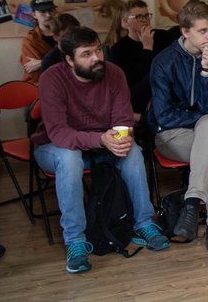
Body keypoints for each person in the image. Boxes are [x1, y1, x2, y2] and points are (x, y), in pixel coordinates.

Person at [32, 27, 169, 274]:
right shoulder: (51, 78)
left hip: (103, 143)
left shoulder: (113, 73)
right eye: (87, 54)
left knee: (133, 153)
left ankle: (144, 223)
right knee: (70, 158)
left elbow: (123, 118)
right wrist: (101, 140)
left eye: (98, 50)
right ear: (69, 60)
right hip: (55, 147)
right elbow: (59, 134)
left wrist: (122, 138)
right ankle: (75, 241)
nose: (96, 58)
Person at [149, 0, 208, 254]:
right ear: (185, 32)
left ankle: (193, 201)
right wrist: (201, 117)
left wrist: (206, 70)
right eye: (202, 31)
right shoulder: (164, 62)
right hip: (173, 134)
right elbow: (164, 116)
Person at [110, 0, 173, 118]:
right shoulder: (118, 49)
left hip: (166, 89)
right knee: (154, 73)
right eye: (138, 17)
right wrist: (147, 48)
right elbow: (132, 80)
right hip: (137, 94)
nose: (145, 20)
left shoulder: (163, 36)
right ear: (125, 22)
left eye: (146, 15)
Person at [21, 0, 58, 84]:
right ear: (34, 14)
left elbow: (77, 61)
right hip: (41, 86)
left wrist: (42, 62)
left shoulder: (67, 34)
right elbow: (35, 73)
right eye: (42, 11)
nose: (48, 15)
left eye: (50, 10)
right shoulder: (29, 41)